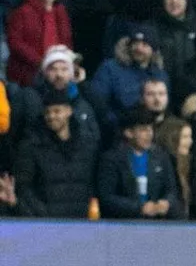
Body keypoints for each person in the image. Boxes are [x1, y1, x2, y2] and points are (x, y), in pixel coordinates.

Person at [13, 90, 96, 218]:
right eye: (47, 112)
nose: (51, 116)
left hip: (81, 222)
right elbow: (24, 187)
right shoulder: (32, 147)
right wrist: (43, 213)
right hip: (47, 223)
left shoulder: (87, 145)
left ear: (69, 111)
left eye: (57, 111)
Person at [96, 108, 182, 220]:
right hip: (123, 224)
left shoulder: (161, 156)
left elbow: (171, 190)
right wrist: (139, 208)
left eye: (151, 129)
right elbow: (107, 197)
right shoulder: (112, 159)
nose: (149, 134)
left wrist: (166, 202)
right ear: (128, 133)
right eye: (143, 130)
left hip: (156, 224)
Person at [88, 25, 169, 136]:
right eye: (135, 43)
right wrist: (119, 123)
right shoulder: (110, 68)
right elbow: (98, 102)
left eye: (144, 45)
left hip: (155, 131)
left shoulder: (160, 74)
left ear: (153, 49)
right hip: (119, 132)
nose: (139, 48)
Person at [5, 0, 72, 87]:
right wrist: (40, 62)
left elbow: (66, 40)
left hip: (57, 68)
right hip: (28, 72)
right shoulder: (22, 12)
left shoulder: (60, 11)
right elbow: (15, 42)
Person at [155, 119, 192, 218]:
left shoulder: (185, 163)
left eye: (190, 137)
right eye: (185, 137)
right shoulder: (163, 164)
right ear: (171, 138)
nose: (190, 141)